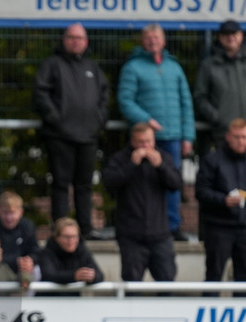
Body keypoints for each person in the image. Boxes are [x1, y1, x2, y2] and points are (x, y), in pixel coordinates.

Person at [117, 23, 195, 241]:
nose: (152, 41)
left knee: (172, 181)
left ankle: (172, 226)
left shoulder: (174, 68)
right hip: (146, 140)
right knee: (144, 185)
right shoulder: (132, 67)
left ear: (164, 41)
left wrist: (187, 135)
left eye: (156, 37)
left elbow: (186, 103)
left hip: (173, 138)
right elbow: (125, 100)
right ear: (143, 41)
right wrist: (146, 120)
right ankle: (148, 227)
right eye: (148, 38)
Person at [33, 23, 110, 238]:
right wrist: (56, 119)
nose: (75, 41)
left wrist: (98, 121)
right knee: (60, 184)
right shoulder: (52, 64)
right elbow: (41, 94)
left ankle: (85, 230)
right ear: (64, 40)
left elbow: (104, 98)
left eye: (80, 38)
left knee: (84, 185)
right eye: (71, 37)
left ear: (86, 42)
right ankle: (61, 230)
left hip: (88, 136)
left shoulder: (93, 68)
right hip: (59, 136)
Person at [102, 122, 181, 282]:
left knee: (167, 281)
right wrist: (132, 165)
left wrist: (160, 166)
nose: (145, 146)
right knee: (132, 284)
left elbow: (176, 184)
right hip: (131, 236)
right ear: (132, 141)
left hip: (160, 235)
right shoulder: (120, 159)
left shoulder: (163, 157)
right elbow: (110, 183)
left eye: (149, 141)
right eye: (141, 142)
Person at [195, 118, 246, 283]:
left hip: (244, 227)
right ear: (228, 137)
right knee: (214, 276)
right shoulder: (212, 160)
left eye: (244, 137)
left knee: (243, 277)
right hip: (219, 226)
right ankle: (209, 307)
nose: (241, 141)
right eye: (237, 137)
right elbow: (201, 192)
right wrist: (223, 200)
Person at [195, 20, 246, 151]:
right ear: (220, 37)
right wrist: (218, 118)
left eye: (234, 33)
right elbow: (200, 97)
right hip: (224, 134)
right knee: (226, 171)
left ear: (241, 35)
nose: (230, 37)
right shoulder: (209, 65)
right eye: (226, 34)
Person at [0, 191, 40, 278]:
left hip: (22, 269)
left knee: (36, 269)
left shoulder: (28, 226)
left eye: (12, 213)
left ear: (21, 212)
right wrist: (16, 261)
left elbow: (35, 251)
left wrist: (30, 260)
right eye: (5, 213)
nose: (9, 218)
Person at [39, 217, 104, 285]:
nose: (71, 241)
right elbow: (49, 275)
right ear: (57, 237)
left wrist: (92, 276)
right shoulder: (47, 253)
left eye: (75, 237)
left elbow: (100, 275)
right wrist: (74, 276)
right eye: (67, 237)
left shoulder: (82, 251)